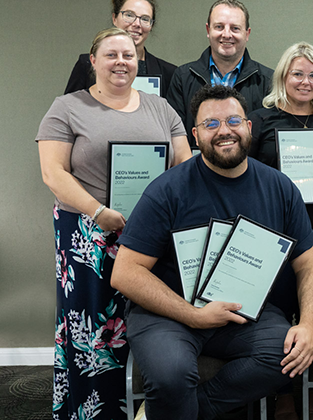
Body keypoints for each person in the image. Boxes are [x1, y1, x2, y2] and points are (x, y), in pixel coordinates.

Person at [109, 85, 313, 420]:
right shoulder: (167, 190)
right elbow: (125, 272)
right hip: (168, 313)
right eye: (211, 124)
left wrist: (309, 325)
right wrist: (192, 315)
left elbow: (308, 263)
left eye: (233, 120)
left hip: (243, 310)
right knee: (170, 376)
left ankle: (189, 410)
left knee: (285, 356)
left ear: (249, 127)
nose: (224, 131)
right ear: (196, 136)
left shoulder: (279, 187)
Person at [37, 27, 191, 420]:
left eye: (128, 55)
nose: (121, 62)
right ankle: (92, 412)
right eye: (111, 55)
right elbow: (53, 174)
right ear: (93, 62)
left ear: (139, 61)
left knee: (148, 323)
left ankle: (145, 411)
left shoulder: (161, 108)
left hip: (150, 235)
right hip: (88, 235)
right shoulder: (67, 107)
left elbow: (185, 168)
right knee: (92, 331)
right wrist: (97, 211)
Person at [248, 42, 313, 419]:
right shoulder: (260, 120)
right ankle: (284, 394)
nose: (305, 81)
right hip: (271, 229)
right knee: (277, 314)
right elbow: (243, 170)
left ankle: (312, 390)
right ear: (282, 76)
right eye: (298, 73)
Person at [167, 0, 274, 148]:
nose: (226, 34)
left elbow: (269, 140)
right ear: (208, 30)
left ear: (247, 33)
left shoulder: (267, 81)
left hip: (249, 168)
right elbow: (175, 133)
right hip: (197, 168)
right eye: (219, 27)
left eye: (235, 28)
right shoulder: (183, 77)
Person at [65, 0, 176, 98]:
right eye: (129, 15)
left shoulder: (169, 73)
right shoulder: (87, 64)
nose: (137, 24)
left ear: (151, 26)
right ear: (114, 18)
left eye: (145, 19)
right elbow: (69, 110)